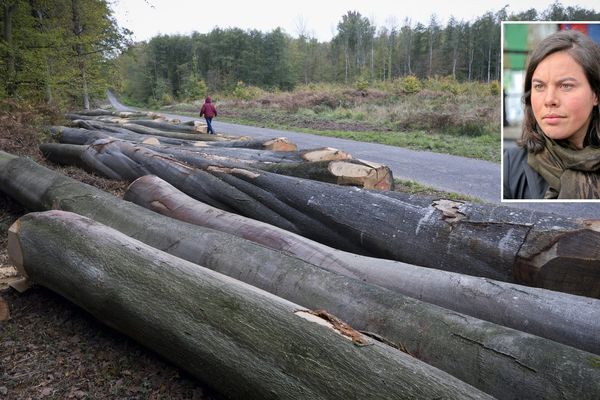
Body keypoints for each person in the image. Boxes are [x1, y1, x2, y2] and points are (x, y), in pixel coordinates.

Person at [503, 29, 600, 199]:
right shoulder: (510, 166)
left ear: (595, 95)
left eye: (566, 86)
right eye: (539, 86)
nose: (549, 100)